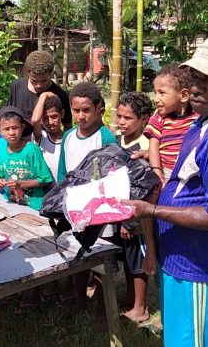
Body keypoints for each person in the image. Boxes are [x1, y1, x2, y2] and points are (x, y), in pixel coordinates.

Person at [121, 34, 208, 346]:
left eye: (207, 79)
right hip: (178, 251)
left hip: (193, 261)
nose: (195, 87)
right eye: (194, 76)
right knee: (179, 336)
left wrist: (152, 210)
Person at [56, 82, 118, 308]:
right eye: (76, 110)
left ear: (99, 108)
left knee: (101, 258)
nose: (81, 116)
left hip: (101, 212)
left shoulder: (106, 138)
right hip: (75, 209)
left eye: (86, 110)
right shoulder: (69, 137)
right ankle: (79, 298)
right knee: (77, 254)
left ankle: (103, 306)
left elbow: (114, 177)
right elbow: (63, 172)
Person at [114, 91, 154, 323]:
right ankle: (130, 296)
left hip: (138, 215)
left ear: (144, 119)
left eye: (127, 118)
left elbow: (146, 186)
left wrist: (131, 220)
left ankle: (140, 307)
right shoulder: (118, 140)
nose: (121, 122)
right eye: (119, 116)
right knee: (129, 258)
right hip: (121, 211)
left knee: (139, 261)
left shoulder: (148, 145)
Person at [143, 64, 200, 186]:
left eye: (162, 93)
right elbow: (153, 145)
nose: (156, 99)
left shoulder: (198, 117)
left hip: (191, 174)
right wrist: (157, 170)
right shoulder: (159, 117)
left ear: (184, 95)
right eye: (155, 93)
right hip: (165, 172)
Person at [0, 106, 53, 211]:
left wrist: (21, 184)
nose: (11, 132)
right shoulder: (1, 153)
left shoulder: (31, 150)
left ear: (22, 127)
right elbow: (0, 176)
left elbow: (45, 180)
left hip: (34, 206)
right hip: (11, 204)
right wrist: (0, 183)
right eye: (6, 129)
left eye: (15, 128)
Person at [7, 50, 72, 130]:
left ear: (50, 74)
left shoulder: (60, 95)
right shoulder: (16, 87)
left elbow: (68, 125)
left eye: (44, 81)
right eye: (34, 80)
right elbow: (8, 116)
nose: (39, 85)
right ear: (28, 73)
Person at [30, 92, 65, 183]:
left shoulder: (69, 138)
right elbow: (34, 120)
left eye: (54, 116)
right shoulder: (41, 137)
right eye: (45, 118)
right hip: (47, 193)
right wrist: (43, 96)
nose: (50, 122)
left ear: (62, 114)